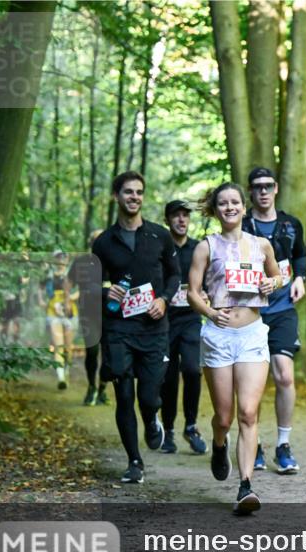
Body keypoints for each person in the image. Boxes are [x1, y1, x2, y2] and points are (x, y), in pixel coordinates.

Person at [188, 182, 284, 515]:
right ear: (215, 210)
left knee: (248, 413)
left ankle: (245, 486)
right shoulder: (206, 246)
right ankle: (219, 443)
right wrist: (210, 312)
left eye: (234, 202)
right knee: (225, 417)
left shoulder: (261, 245)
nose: (229, 207)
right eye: (223, 203)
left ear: (244, 207)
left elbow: (278, 277)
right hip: (218, 335)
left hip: (252, 335)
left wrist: (272, 282)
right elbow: (192, 292)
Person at [92, 171, 180, 484]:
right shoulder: (104, 242)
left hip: (154, 328)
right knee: (124, 394)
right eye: (128, 192)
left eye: (139, 192)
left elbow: (175, 275)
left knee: (149, 396)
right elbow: (89, 284)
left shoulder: (159, 235)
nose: (134, 197)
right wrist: (106, 291)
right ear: (116, 196)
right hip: (119, 329)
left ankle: (152, 417)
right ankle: (134, 461)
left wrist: (164, 300)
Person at [241, 167, 306, 474]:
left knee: (284, 376)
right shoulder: (242, 225)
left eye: (268, 185)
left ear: (276, 188)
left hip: (282, 310)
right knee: (250, 381)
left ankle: (283, 445)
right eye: (257, 187)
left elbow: (300, 256)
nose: (263, 191)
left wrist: (301, 278)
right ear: (250, 192)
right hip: (250, 312)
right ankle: (252, 443)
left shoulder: (291, 224)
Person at [159, 200, 207, 455]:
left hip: (190, 318)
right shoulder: (160, 247)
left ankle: (191, 426)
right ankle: (168, 430)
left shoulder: (198, 248)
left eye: (185, 215)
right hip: (164, 321)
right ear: (167, 219)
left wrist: (207, 294)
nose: (181, 220)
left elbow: (208, 279)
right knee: (168, 376)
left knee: (192, 369)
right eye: (176, 215)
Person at [68, 230, 108, 406]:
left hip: (110, 315)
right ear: (91, 243)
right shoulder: (81, 262)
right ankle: (92, 386)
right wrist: (66, 302)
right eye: (95, 240)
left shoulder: (113, 260)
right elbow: (68, 282)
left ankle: (102, 389)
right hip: (88, 314)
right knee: (92, 351)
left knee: (109, 354)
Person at [43, 250, 78, 390]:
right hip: (53, 311)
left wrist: (69, 299)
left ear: (67, 258)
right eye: (58, 257)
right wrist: (50, 303)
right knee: (59, 345)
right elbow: (45, 292)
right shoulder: (49, 275)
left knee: (68, 347)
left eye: (63, 256)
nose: (61, 259)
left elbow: (81, 290)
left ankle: (66, 370)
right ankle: (61, 377)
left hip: (69, 311)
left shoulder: (73, 273)